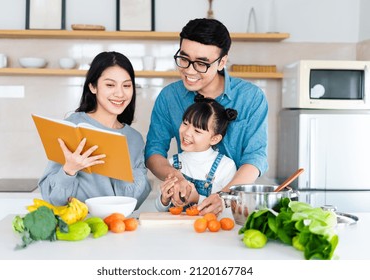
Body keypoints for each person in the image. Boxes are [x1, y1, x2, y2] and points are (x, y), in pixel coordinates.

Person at [145, 18, 268, 215]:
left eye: (202, 63)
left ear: (222, 62)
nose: (189, 70)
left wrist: (225, 195)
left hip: (234, 206)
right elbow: (153, 152)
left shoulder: (251, 97)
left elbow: (255, 157)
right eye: (184, 59)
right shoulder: (169, 97)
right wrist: (176, 178)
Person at [39, 51, 151, 209]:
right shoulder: (71, 127)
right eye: (110, 85)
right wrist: (69, 170)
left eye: (126, 85)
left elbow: (135, 201)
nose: (120, 93)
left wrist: (125, 173)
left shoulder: (134, 139)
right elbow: (51, 198)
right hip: (78, 227)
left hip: (118, 226)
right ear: (93, 86)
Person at [155, 94, 238, 212]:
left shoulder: (225, 166)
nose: (187, 133)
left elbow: (227, 212)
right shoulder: (172, 163)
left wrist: (197, 199)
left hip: (208, 229)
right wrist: (164, 200)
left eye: (197, 131)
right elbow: (160, 210)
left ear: (214, 139)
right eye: (185, 123)